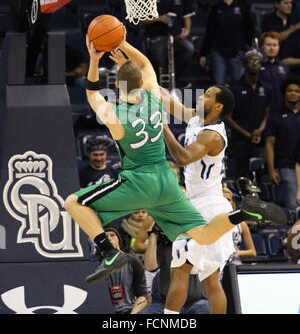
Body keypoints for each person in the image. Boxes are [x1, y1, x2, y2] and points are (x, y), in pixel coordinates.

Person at [64, 33, 287, 287]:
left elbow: (93, 95)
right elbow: (147, 64)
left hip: (139, 180)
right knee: (202, 235)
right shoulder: (154, 99)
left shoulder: (116, 114)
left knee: (73, 202)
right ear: (142, 83)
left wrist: (94, 60)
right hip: (167, 182)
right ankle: (242, 213)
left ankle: (108, 252)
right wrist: (123, 44)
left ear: (116, 86)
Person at [160, 85, 235, 314]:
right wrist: (146, 82)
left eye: (208, 95)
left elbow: (182, 158)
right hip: (209, 205)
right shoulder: (196, 118)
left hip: (205, 206)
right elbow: (168, 100)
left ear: (217, 106)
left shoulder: (211, 135)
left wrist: (162, 127)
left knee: (181, 269)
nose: (201, 97)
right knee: (210, 279)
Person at [138, 219, 210, 314]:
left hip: (196, 302)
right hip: (164, 303)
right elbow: (150, 266)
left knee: (208, 310)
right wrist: (153, 235)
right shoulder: (162, 245)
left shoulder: (194, 242)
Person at [225, 48, 272, 178]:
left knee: (262, 176)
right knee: (242, 176)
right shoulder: (234, 88)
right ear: (244, 64)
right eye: (251, 61)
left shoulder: (267, 88)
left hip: (261, 138)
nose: (255, 64)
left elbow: (268, 112)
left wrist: (259, 130)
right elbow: (227, 117)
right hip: (240, 140)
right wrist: (247, 134)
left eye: (258, 61)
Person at [140, 0, 197, 88]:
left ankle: (174, 79)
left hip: (176, 36)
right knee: (160, 60)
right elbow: (141, 20)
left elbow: (187, 16)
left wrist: (187, 29)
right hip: (156, 36)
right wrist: (159, 18)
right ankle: (160, 84)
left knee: (189, 48)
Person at [200, 0, 255, 85]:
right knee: (218, 83)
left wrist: (251, 49)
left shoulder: (242, 7)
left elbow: (249, 30)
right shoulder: (215, 8)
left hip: (238, 50)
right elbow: (210, 32)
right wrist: (203, 53)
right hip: (218, 49)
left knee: (239, 82)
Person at [265, 75, 300, 211]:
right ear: (284, 93)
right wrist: (271, 169)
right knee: (293, 207)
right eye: (290, 90)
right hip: (286, 165)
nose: (293, 93)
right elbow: (269, 144)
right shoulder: (275, 116)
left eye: (297, 91)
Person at [101, 226, 148, 314]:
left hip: (130, 309)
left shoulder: (133, 262)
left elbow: (143, 296)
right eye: (105, 236)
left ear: (119, 239)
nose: (109, 238)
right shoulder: (95, 264)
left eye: (112, 235)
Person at [261, 0, 300, 73]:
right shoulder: (268, 21)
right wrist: (295, 28)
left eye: (290, 3)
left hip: (295, 58)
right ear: (277, 4)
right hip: (276, 60)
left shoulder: (295, 19)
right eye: (286, 3)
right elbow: (276, 39)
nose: (289, 5)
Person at [222, 187, 257, 264]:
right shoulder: (210, 222)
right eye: (223, 200)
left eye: (228, 199)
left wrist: (237, 253)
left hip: (235, 267)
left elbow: (252, 252)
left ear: (232, 202)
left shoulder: (241, 224)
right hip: (215, 268)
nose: (226, 202)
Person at [260, 31, 290, 110]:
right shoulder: (256, 67)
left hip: (281, 109)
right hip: (261, 109)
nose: (271, 48)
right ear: (262, 46)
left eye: (275, 45)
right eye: (268, 45)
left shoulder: (285, 68)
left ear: (279, 47)